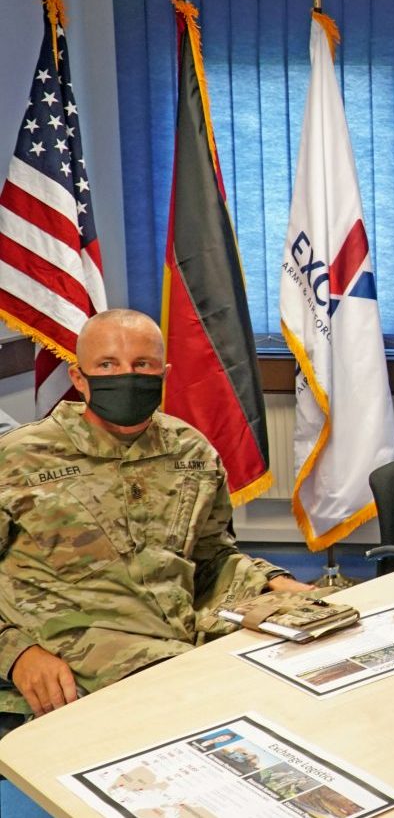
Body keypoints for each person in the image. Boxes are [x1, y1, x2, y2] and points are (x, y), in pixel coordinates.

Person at [0, 311, 313, 732]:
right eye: (108, 365)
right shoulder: (19, 458)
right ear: (78, 378)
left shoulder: (191, 453)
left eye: (142, 365)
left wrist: (271, 583)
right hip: (71, 678)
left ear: (163, 373)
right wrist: (17, 654)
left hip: (178, 652)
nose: (126, 377)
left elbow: (211, 557)